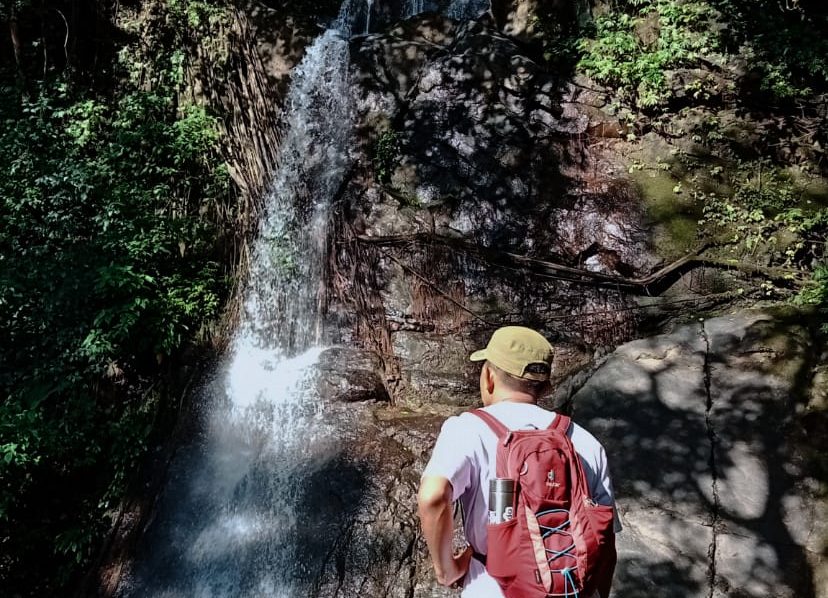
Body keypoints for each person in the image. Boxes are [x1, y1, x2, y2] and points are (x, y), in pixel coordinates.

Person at [417, 326, 620, 597]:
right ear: (546, 387)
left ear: (488, 377)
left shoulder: (467, 430)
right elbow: (605, 543)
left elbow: (432, 497)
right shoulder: (585, 442)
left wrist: (447, 570)